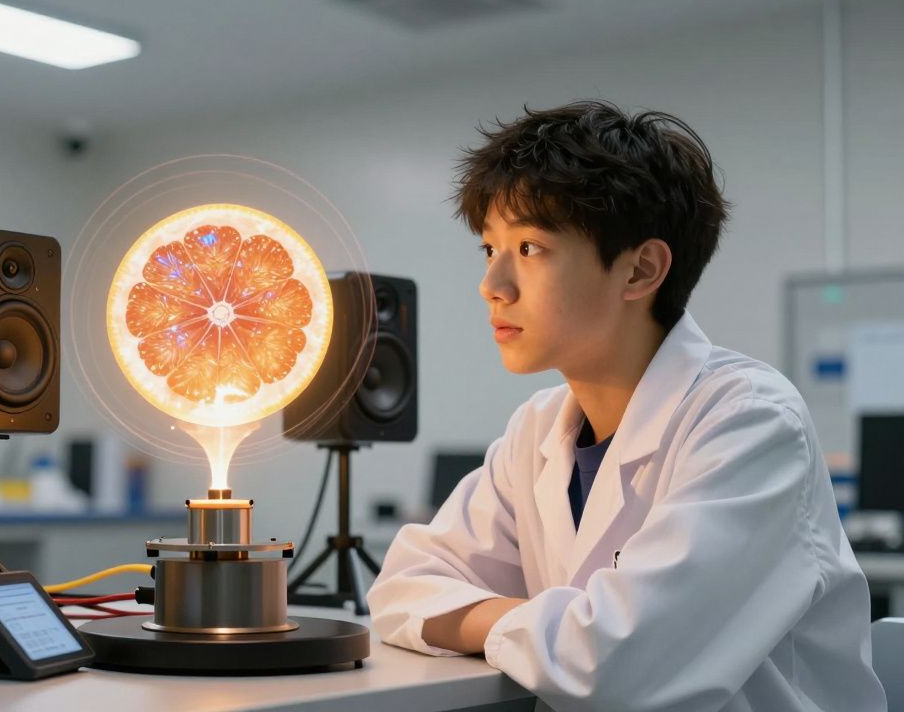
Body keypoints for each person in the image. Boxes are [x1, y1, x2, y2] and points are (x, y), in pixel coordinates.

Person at [367, 100, 886, 711]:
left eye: (530, 248)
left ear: (641, 269)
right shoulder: (537, 429)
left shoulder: (749, 420)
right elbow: (402, 589)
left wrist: (498, 620)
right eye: (489, 249)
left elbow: (611, 666)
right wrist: (549, 626)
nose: (493, 286)